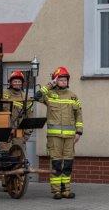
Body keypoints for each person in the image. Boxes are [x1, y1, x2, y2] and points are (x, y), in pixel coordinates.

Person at [35, 66, 83, 199]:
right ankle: (56, 191)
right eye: (60, 80)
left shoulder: (73, 96)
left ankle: (66, 190)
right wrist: (49, 85)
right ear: (56, 81)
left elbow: (79, 114)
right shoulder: (49, 95)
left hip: (69, 137)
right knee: (56, 163)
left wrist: (79, 132)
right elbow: (36, 96)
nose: (63, 82)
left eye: (65, 80)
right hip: (54, 137)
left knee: (68, 163)